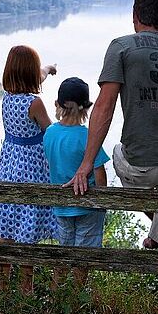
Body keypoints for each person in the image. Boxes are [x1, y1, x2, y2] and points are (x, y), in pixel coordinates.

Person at [65, 0, 158, 304]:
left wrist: (86, 165)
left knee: (117, 153)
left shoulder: (122, 47)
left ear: (134, 15)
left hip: (142, 166)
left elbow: (104, 105)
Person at [0, 44, 58, 294]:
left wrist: (48, 69)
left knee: (8, 224)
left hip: (9, 164)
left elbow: (35, 76)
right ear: (31, 73)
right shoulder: (35, 103)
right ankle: (25, 287)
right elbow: (49, 132)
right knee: (27, 225)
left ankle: (4, 286)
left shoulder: (7, 97)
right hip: (31, 167)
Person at [43, 77, 110, 289]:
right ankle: (77, 292)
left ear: (58, 104)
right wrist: (103, 201)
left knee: (65, 250)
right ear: (86, 108)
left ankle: (57, 291)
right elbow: (99, 173)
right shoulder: (88, 137)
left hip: (61, 207)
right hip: (87, 206)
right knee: (84, 253)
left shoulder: (50, 133)